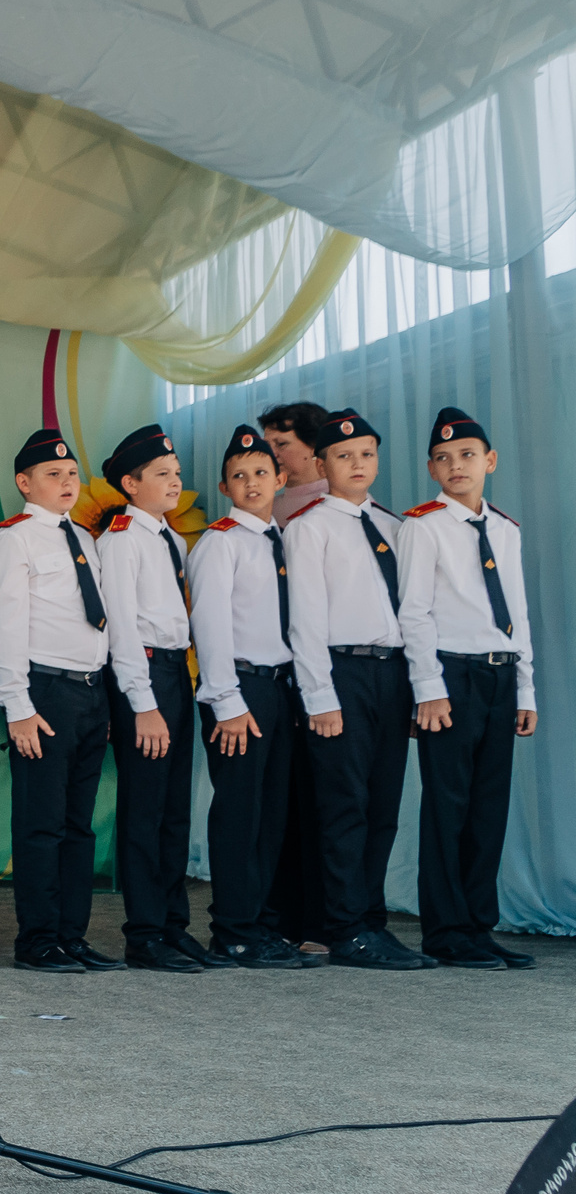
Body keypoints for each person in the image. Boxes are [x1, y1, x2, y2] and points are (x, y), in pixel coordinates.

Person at [285, 409, 435, 971]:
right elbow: (304, 619)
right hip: (341, 673)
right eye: (344, 456)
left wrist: (421, 686)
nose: (357, 464)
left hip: (391, 674)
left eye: (367, 454)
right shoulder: (309, 526)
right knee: (343, 805)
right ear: (322, 465)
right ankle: (343, 926)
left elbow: (416, 612)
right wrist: (318, 694)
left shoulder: (396, 527)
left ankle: (370, 920)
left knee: (383, 806)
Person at [399, 406, 538, 971]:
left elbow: (518, 613)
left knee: (488, 808)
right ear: (432, 469)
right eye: (444, 458)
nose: (457, 466)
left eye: (467, 456)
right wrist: (428, 687)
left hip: (500, 674)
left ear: (490, 461)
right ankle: (445, 930)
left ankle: (478, 926)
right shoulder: (422, 525)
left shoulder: (504, 529)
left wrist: (525, 688)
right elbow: (413, 613)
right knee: (448, 805)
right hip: (451, 677)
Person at [94, 424, 229, 972]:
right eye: (162, 475)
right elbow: (122, 627)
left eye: (177, 473)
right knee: (145, 810)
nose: (176, 482)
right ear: (130, 483)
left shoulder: (169, 538)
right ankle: (144, 932)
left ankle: (174, 925)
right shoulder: (122, 539)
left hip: (175, 672)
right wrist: (142, 704)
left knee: (175, 810)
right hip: (143, 675)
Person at [0, 428, 118, 974]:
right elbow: (8, 624)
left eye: (71, 474)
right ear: (25, 483)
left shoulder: (82, 538)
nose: (67, 483)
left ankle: (72, 934)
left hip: (88, 690)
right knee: (41, 823)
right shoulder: (13, 539)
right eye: (52, 475)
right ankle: (38, 940)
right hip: (44, 692)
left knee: (78, 824)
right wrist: (17, 704)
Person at [188, 426, 318, 969]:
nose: (251, 483)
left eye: (261, 472)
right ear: (225, 486)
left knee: (271, 814)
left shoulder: (284, 539)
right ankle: (234, 929)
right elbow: (210, 626)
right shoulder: (220, 541)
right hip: (239, 689)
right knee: (240, 813)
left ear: (280, 478)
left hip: (278, 688)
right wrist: (227, 701)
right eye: (239, 476)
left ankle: (262, 923)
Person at [257, 399, 334, 949]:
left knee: (323, 800)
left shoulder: (334, 507)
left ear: (313, 448)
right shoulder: (270, 505)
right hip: (277, 673)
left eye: (280, 444)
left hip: (324, 674)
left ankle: (319, 919)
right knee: (280, 799)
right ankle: (279, 916)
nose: (272, 455)